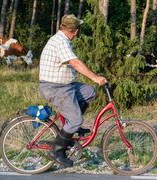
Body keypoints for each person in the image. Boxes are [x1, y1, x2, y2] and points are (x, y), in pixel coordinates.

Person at [39, 14, 107, 167]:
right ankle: (56, 151)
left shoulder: (62, 39)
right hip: (55, 87)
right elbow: (75, 62)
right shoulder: (61, 42)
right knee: (77, 119)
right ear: (76, 31)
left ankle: (72, 124)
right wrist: (95, 77)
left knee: (89, 92)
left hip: (65, 85)